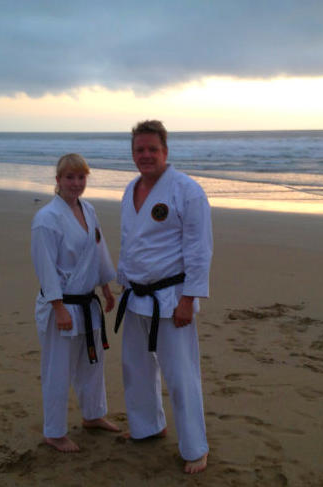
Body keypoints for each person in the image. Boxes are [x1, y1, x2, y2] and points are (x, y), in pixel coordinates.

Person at [115, 120, 213, 473]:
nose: (145, 155)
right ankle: (148, 426)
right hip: (135, 296)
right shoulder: (131, 189)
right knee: (136, 369)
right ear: (133, 153)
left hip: (171, 299)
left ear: (165, 151)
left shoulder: (187, 191)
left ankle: (195, 447)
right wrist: (123, 281)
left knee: (181, 376)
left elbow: (199, 250)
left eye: (152, 149)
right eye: (139, 149)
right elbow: (129, 242)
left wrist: (189, 298)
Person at [31, 153, 120, 452]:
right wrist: (58, 308)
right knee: (58, 369)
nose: (76, 183)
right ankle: (54, 432)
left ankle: (93, 415)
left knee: (92, 363)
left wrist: (105, 288)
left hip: (87, 302)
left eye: (81, 177)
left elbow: (98, 251)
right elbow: (45, 266)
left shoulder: (88, 209)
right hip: (62, 303)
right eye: (70, 177)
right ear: (58, 180)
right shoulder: (46, 219)